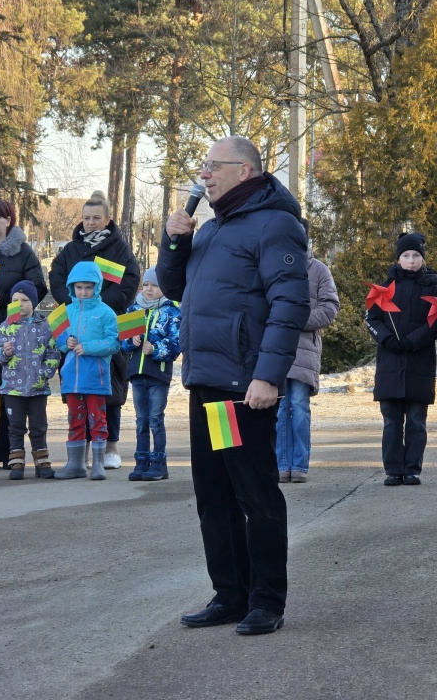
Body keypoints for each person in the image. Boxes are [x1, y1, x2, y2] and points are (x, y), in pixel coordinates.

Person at [157, 135, 310, 636]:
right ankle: (230, 594)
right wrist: (174, 242)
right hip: (207, 381)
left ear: (244, 171)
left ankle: (266, 600)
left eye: (212, 165)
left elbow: (290, 304)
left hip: (243, 388)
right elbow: (175, 288)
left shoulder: (275, 225)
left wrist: (267, 375)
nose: (203, 174)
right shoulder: (213, 228)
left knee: (254, 495)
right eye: (203, 166)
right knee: (214, 495)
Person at [49, 190, 140, 469]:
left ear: (107, 219)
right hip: (77, 325)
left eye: (96, 218)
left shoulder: (120, 249)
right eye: (87, 218)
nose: (91, 223)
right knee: (79, 390)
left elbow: (130, 280)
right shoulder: (71, 250)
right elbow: (57, 278)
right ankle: (82, 448)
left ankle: (110, 445)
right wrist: (73, 303)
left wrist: (101, 307)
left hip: (107, 323)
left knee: (109, 389)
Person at [0, 198, 47, 469]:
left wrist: (6, 298)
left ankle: (8, 451)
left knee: (10, 392)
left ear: (8, 220)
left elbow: (38, 286)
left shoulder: (23, 252)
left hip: (13, 333)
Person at [365, 231, 437, 486]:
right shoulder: (384, 289)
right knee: (391, 422)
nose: (411, 261)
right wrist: (387, 339)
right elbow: (372, 319)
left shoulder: (432, 288)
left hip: (419, 364)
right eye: (406, 255)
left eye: (416, 256)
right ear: (398, 258)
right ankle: (393, 469)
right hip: (390, 364)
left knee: (417, 422)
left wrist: (413, 341)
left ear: (423, 258)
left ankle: (412, 469)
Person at [277, 219, 339, 484]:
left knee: (299, 407)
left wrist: (298, 320)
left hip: (304, 351)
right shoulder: (272, 266)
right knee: (279, 409)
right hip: (276, 349)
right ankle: (281, 465)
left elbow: (330, 307)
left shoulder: (320, 270)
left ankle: (299, 465)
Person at [54, 261, 120, 481]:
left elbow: (114, 343)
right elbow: (58, 338)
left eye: (88, 287)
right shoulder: (66, 312)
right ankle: (76, 464)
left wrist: (89, 347)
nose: (83, 292)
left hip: (96, 378)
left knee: (97, 419)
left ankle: (98, 464)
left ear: (97, 287)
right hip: (72, 378)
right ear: (72, 287)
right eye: (79, 287)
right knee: (75, 419)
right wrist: (66, 342)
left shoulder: (106, 313)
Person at [0, 280, 60, 480]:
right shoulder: (6, 326)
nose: (19, 304)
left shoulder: (44, 326)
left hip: (38, 388)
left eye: (25, 300)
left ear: (34, 302)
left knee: (38, 426)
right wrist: (4, 353)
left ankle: (42, 462)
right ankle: (16, 462)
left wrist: (45, 373)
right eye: (15, 300)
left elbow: (53, 352)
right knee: (15, 426)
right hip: (13, 388)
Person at [121, 267, 181, 482]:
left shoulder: (172, 312)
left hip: (158, 375)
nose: (149, 289)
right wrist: (131, 340)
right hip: (137, 374)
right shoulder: (133, 310)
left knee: (155, 419)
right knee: (141, 421)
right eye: (146, 284)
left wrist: (155, 349)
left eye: (154, 285)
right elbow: (122, 343)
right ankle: (141, 461)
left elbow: (176, 344)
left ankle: (159, 463)